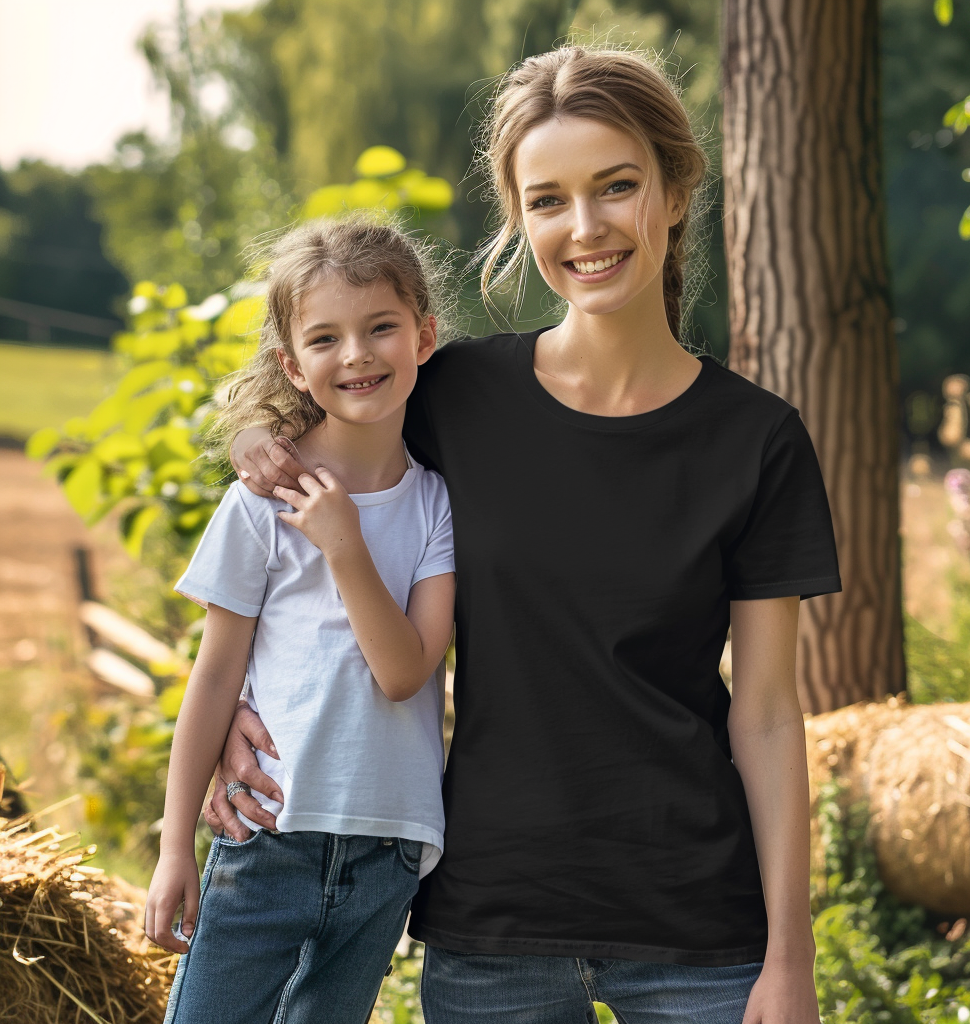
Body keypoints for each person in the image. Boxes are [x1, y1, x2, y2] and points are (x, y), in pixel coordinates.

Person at [219, 46, 841, 1024]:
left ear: (676, 192)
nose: (584, 227)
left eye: (617, 186)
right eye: (547, 199)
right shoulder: (458, 395)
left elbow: (764, 713)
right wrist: (233, 713)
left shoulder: (755, 440)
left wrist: (789, 954)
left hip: (701, 936)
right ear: (518, 216)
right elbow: (302, 484)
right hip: (490, 931)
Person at [144, 215, 457, 1024]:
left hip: (389, 846)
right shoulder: (257, 504)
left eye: (380, 327)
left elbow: (404, 672)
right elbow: (214, 675)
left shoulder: (436, 504)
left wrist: (345, 545)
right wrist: (175, 843)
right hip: (269, 835)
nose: (356, 354)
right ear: (292, 363)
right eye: (326, 338)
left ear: (423, 337)